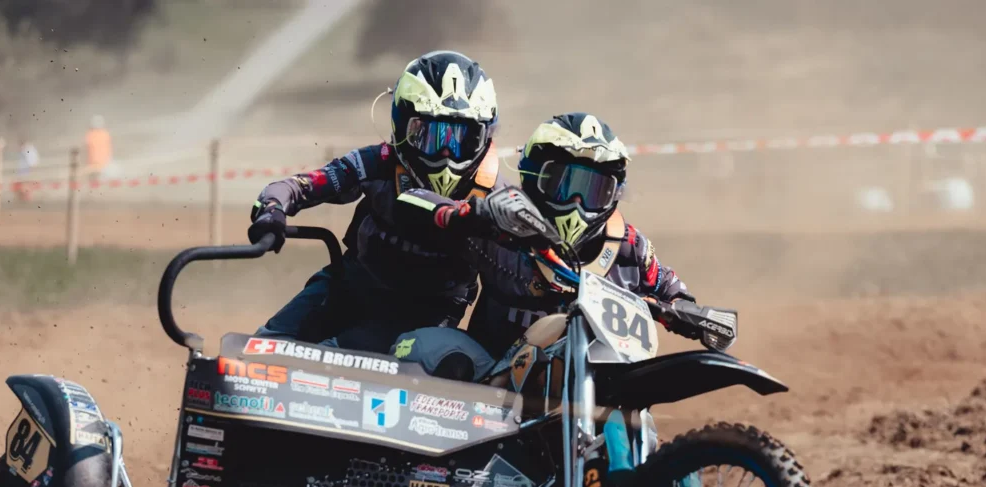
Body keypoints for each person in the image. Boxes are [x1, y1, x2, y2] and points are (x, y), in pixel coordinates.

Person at [391, 112, 696, 380]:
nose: (577, 205)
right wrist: (464, 215)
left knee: (638, 400)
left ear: (614, 195)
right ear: (533, 178)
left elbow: (677, 296)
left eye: (594, 190)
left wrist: (686, 315)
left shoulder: (631, 249)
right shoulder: (502, 222)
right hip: (491, 380)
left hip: (591, 384)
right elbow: (412, 200)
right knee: (421, 347)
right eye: (565, 185)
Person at [247, 50, 504, 352]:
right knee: (262, 350)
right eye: (430, 136)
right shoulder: (378, 161)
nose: (446, 153)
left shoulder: (497, 198)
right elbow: (294, 187)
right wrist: (272, 211)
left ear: (484, 138)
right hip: (350, 287)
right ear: (401, 125)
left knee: (333, 357)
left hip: (427, 317)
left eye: (461, 139)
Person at [85, 115, 113, 183]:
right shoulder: (105, 134)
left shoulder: (89, 135)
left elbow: (86, 151)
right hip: (104, 164)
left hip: (94, 164)